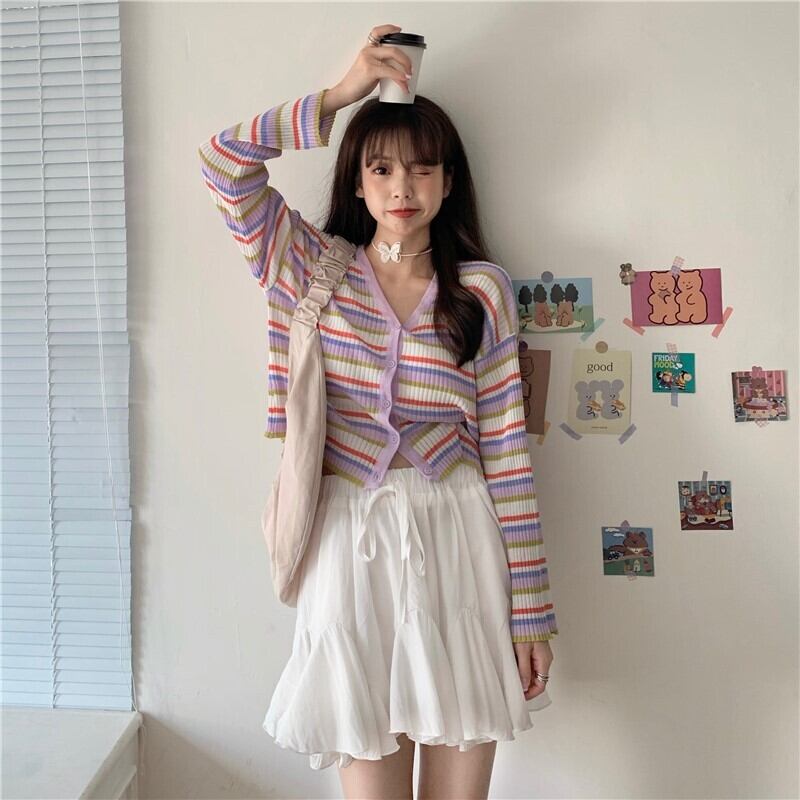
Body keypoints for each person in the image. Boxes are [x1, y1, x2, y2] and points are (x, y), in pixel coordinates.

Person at [198, 23, 558, 800]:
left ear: (449, 182)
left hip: (458, 535)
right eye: (383, 168)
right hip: (346, 542)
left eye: (423, 169)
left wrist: (531, 612)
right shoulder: (308, 268)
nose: (403, 188)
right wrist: (340, 94)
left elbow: (506, 454)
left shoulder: (482, 290)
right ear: (356, 181)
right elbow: (223, 161)